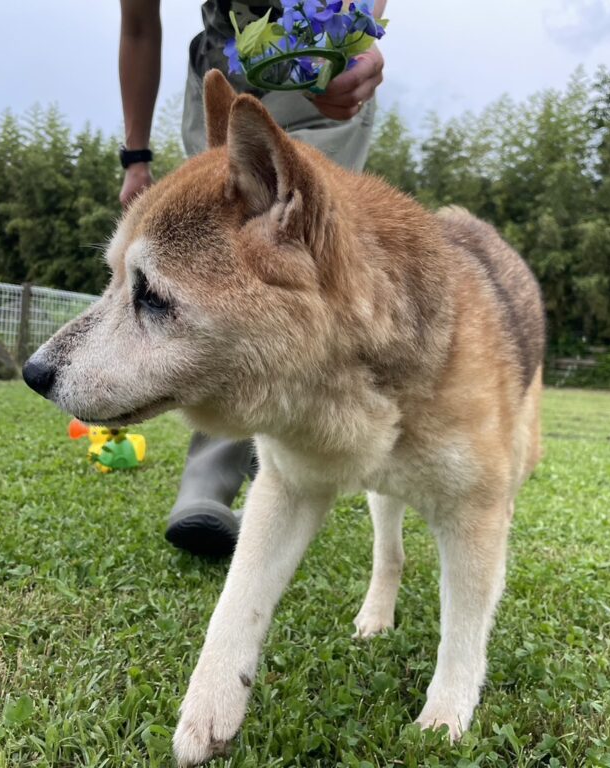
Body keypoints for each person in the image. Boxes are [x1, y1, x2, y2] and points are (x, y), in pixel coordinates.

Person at [118, 0, 386, 556]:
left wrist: (352, 44)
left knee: (300, 266)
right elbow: (139, 26)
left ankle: (283, 477)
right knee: (213, 277)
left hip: (320, 78)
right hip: (224, 67)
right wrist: (135, 156)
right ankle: (219, 478)